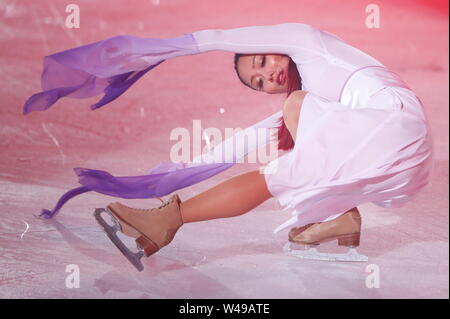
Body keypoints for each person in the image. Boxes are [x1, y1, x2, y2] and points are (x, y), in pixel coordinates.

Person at [24, 23, 433, 269]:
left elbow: (216, 37)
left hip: (396, 127)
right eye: (258, 82)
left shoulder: (308, 44)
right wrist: (157, 181)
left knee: (291, 149)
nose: (267, 76)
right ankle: (341, 218)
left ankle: (164, 223)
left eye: (261, 62)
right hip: (403, 154)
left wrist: (144, 52)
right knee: (289, 160)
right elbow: (231, 149)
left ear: (273, 45)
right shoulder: (319, 111)